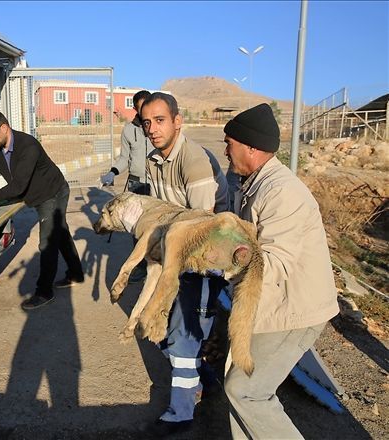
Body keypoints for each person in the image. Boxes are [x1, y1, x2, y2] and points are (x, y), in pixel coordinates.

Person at [222, 103, 340, 439]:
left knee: (246, 391)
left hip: (294, 310)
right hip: (269, 302)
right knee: (240, 388)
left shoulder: (281, 191)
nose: (226, 150)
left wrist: (223, 255)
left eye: (229, 143)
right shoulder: (256, 182)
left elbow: (276, 261)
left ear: (251, 148)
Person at [138, 92, 229, 435]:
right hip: (176, 253)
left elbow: (202, 228)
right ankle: (207, 380)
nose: (152, 128)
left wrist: (170, 270)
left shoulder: (193, 161)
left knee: (182, 335)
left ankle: (181, 413)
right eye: (147, 122)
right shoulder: (152, 159)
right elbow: (161, 212)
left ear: (178, 121)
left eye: (160, 120)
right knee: (161, 330)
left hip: (204, 258)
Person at [0, 110, 84, 310]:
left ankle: (44, 292)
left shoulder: (28, 146)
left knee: (47, 242)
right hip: (37, 195)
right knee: (60, 233)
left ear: (4, 128)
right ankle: (76, 273)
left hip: (52, 193)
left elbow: (18, 186)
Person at [100, 89, 154, 283]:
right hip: (136, 184)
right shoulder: (129, 130)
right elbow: (124, 158)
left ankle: (157, 263)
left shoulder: (156, 126)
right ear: (136, 109)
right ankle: (140, 266)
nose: (146, 110)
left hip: (157, 184)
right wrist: (112, 172)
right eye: (142, 107)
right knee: (136, 228)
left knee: (158, 227)